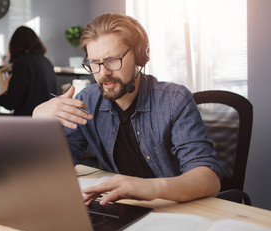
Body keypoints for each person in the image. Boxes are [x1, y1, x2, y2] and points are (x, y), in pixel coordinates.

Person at [33, 13, 224, 205]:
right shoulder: (87, 101)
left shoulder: (174, 100)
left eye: (113, 60)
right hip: (126, 208)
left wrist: (150, 187)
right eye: (94, 63)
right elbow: (55, 166)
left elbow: (208, 180)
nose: (103, 73)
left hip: (176, 208)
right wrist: (39, 125)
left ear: (139, 55)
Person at [0, 26, 57, 115]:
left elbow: (12, 102)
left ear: (15, 44)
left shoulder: (22, 62)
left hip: (28, 122)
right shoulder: (46, 62)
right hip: (46, 120)